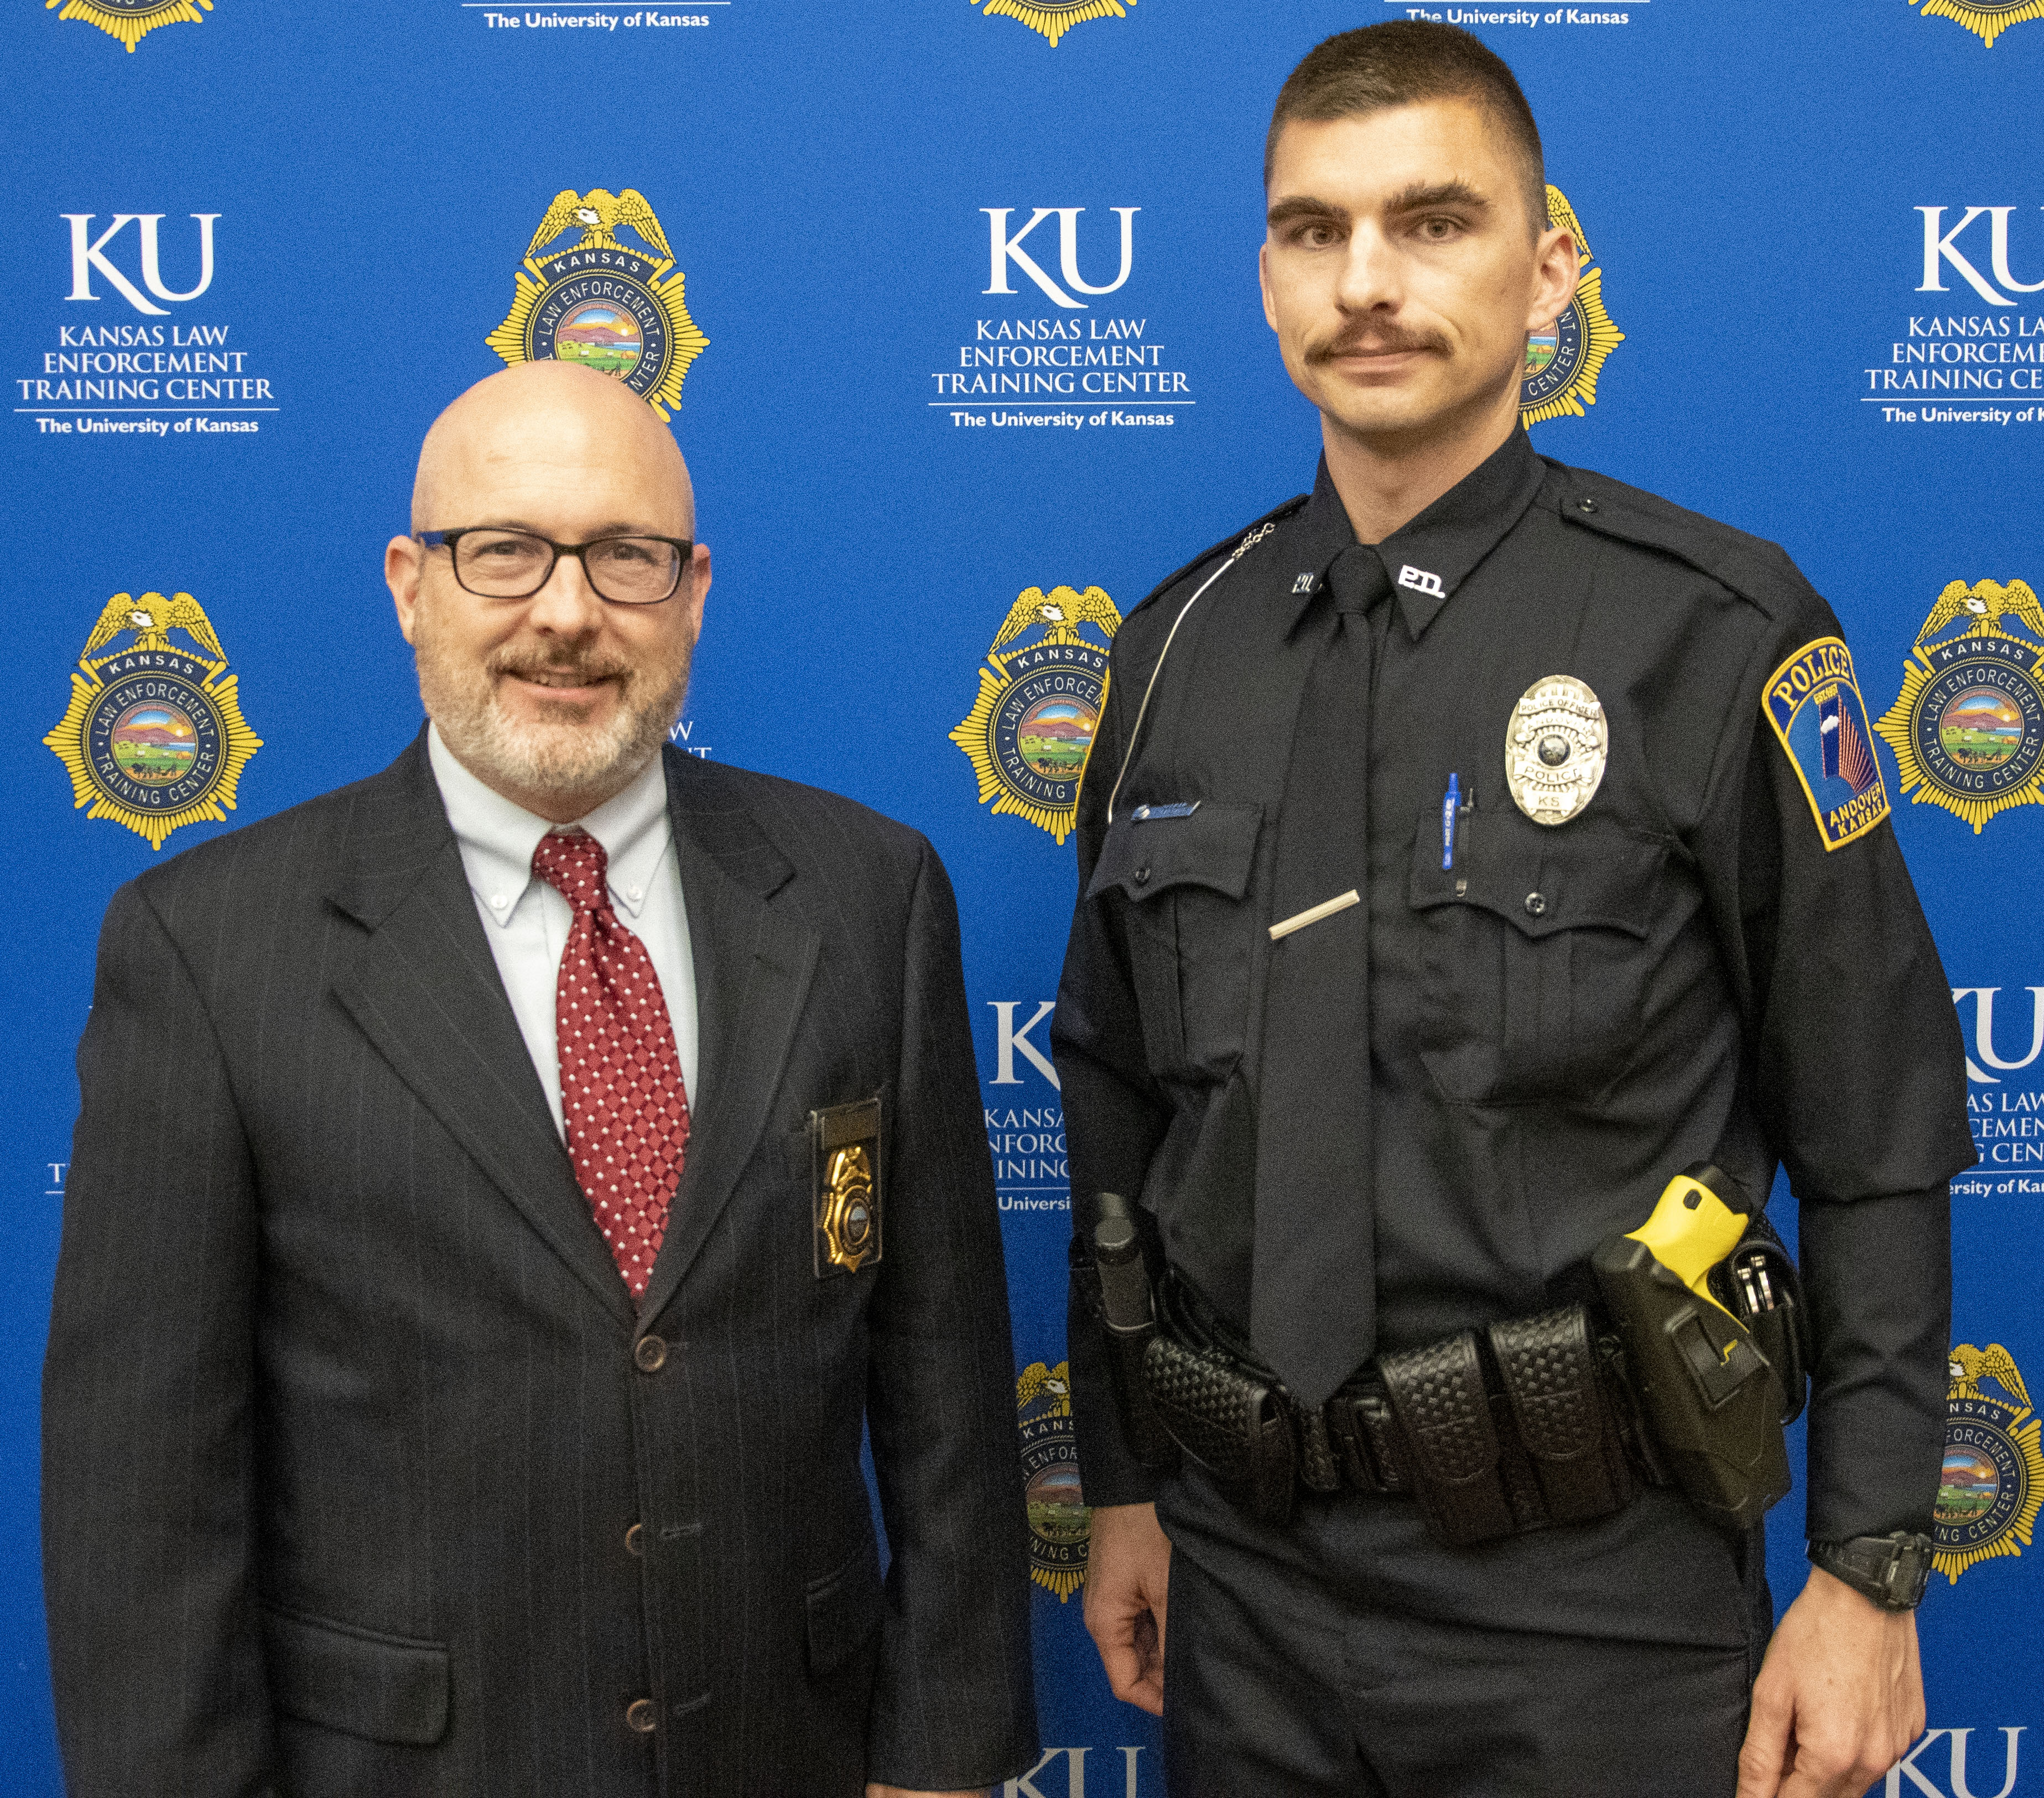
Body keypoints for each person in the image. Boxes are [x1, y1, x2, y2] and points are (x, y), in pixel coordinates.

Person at [1052, 23, 1970, 1798]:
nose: (1368, 282)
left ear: (1552, 266)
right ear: (1263, 276)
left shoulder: (1718, 633)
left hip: (1593, 1608)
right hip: (1245, 1584)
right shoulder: (1175, 652)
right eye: (1312, 231)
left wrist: (1867, 1572)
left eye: (1433, 221)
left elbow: (1878, 1129)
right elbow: (1117, 1108)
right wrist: (1118, 1483)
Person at [43, 361, 1036, 1798]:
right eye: (502, 550)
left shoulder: (868, 896)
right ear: (410, 582)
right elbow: (141, 1505)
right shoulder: (206, 950)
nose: (566, 612)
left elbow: (945, 1387)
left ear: (692, 592)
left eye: (624, 557)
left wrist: (945, 1756)